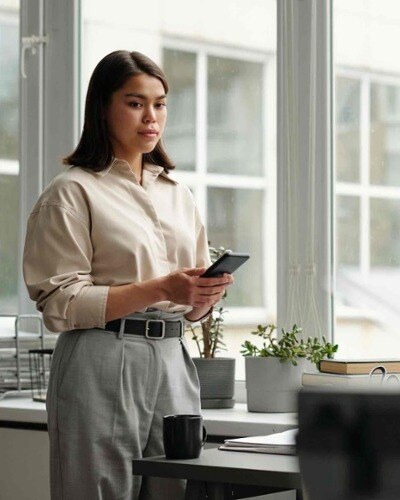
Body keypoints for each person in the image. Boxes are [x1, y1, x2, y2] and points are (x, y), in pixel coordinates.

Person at [23, 50, 234, 500]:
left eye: (159, 104)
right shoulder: (72, 192)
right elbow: (60, 305)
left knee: (177, 488)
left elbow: (187, 295)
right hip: (100, 359)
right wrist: (158, 287)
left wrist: (202, 296)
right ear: (103, 106)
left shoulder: (180, 195)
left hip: (173, 359)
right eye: (135, 103)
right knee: (97, 491)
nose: (151, 116)